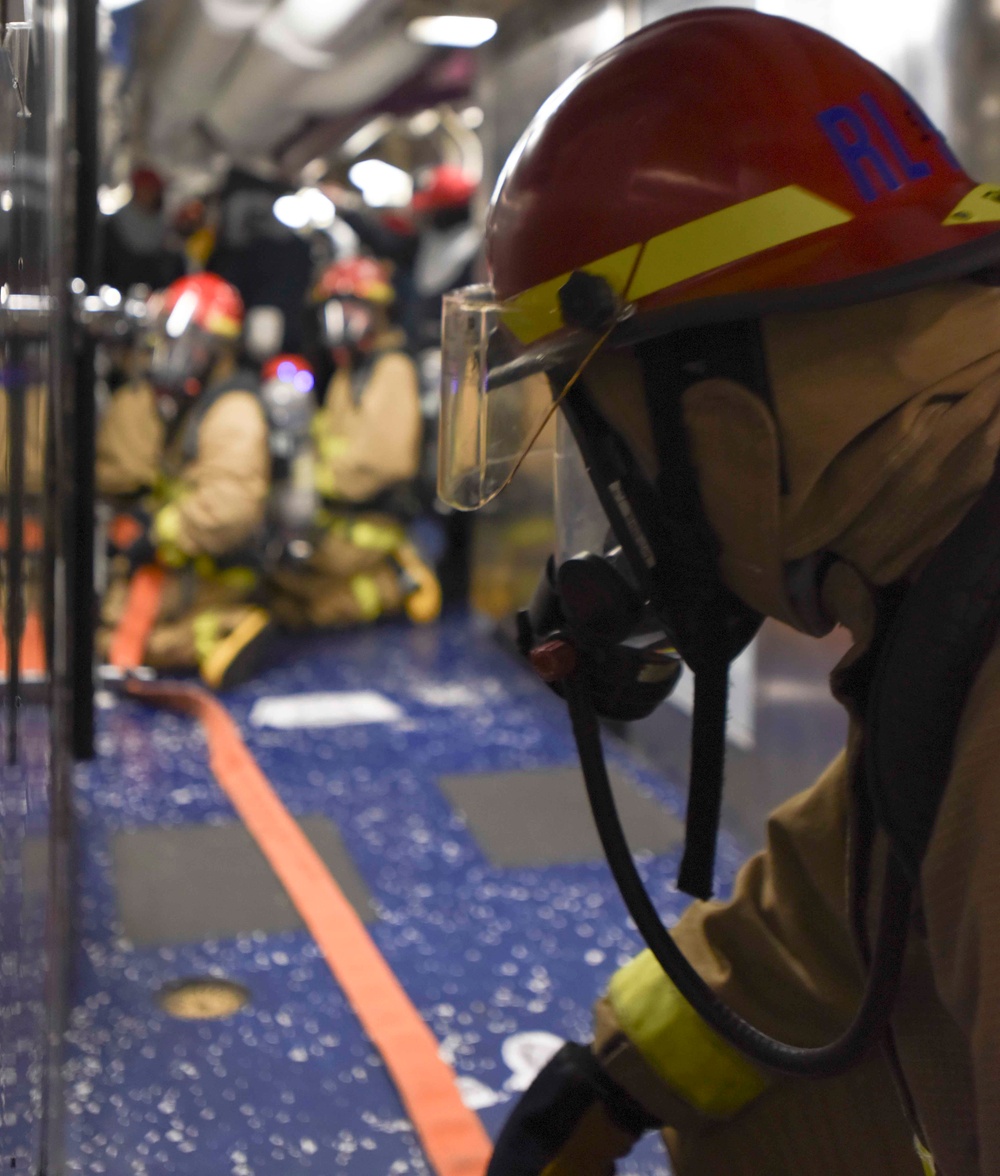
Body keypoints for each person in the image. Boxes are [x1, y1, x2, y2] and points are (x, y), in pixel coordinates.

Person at [438, 10, 1000, 1176]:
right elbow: (846, 903)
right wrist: (621, 1070)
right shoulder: (945, 589)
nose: (618, 508)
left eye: (608, 435)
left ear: (724, 403)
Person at [96, 273, 273, 689]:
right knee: (100, 626)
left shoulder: (234, 412)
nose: (169, 353)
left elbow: (228, 509)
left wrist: (158, 534)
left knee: (113, 637)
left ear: (216, 349)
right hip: (186, 556)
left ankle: (227, 626)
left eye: (185, 342)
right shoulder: (189, 406)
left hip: (218, 570)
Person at [267, 257, 441, 630]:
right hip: (334, 520)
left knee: (304, 610)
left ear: (378, 311)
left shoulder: (392, 368)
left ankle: (392, 581)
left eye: (348, 308)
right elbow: (326, 439)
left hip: (370, 528)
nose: (338, 320)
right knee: (275, 583)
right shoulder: (350, 373)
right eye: (331, 310)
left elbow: (385, 462)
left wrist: (313, 482)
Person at [100, 167, 186, 294]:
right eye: (144, 189)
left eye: (152, 190)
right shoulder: (115, 224)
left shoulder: (166, 228)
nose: (148, 194)